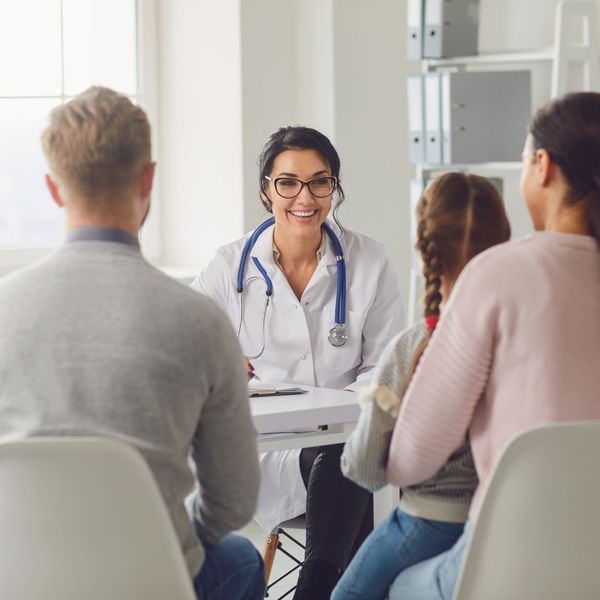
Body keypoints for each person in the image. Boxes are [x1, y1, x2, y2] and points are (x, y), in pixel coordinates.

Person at [0, 86, 264, 600]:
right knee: (240, 558)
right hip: (153, 580)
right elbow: (234, 503)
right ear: (148, 178)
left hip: (19, 578)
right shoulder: (201, 321)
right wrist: (169, 545)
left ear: (55, 189)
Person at [383, 91, 600, 599]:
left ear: (542, 167)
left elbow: (410, 457)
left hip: (512, 557)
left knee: (396, 588)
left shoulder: (497, 275)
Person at [192, 125, 404, 599]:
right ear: (266, 190)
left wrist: (338, 413)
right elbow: (186, 352)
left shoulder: (370, 261)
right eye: (288, 182)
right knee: (352, 467)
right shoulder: (229, 268)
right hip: (267, 453)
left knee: (347, 453)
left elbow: (387, 370)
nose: (304, 197)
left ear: (334, 187)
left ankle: (315, 587)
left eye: (319, 181)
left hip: (351, 443)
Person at [332, 172, 511, 600]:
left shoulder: (414, 348)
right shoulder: (518, 344)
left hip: (424, 524)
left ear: (424, 249)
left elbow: (363, 469)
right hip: (499, 525)